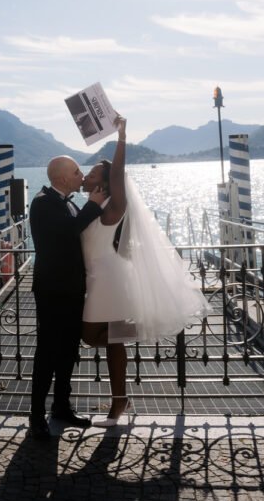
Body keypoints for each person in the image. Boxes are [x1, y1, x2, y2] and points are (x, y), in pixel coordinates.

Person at [81, 116, 210, 426]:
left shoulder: (114, 207)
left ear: (104, 181)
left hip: (109, 281)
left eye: (92, 172)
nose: (86, 175)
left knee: (89, 335)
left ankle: (153, 325)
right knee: (110, 340)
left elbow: (118, 172)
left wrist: (121, 137)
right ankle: (120, 400)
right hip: (97, 280)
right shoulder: (91, 207)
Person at [29, 155, 107, 439]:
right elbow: (67, 232)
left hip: (74, 288)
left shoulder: (70, 202)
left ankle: (62, 406)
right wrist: (94, 206)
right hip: (52, 291)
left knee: (68, 351)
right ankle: (36, 415)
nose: (81, 174)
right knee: (47, 352)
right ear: (61, 178)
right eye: (76, 171)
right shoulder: (42, 202)